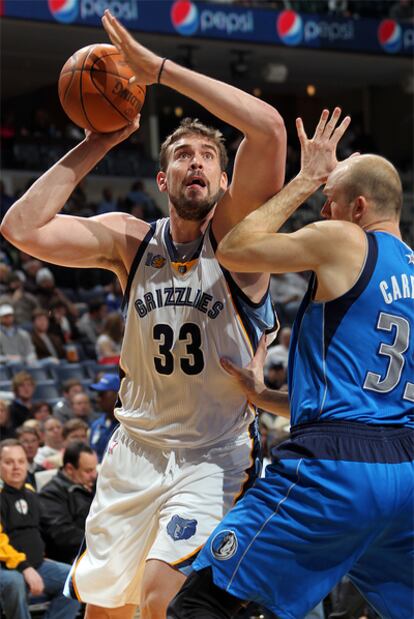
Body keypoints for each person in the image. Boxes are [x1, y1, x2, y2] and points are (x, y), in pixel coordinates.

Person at [0, 8, 286, 618]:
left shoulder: (239, 244)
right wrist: (98, 139)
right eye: (184, 155)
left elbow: (267, 128)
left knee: (161, 598)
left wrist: (158, 70)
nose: (197, 164)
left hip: (213, 456)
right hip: (134, 452)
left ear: (224, 177)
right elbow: (20, 227)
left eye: (209, 156)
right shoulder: (130, 240)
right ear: (163, 176)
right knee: (108, 612)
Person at [167, 109, 414, 618]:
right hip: (406, 472)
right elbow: (374, 399)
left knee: (200, 602)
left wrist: (304, 178)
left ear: (359, 207)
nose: (322, 208)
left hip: (337, 473)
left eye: (330, 200)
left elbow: (234, 250)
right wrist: (266, 397)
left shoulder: (349, 240)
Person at [0, 439, 80, 619]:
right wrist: (24, 567)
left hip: (36, 564)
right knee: (15, 582)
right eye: (9, 462)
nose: (16, 467)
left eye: (21, 461)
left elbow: (42, 529)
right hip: (7, 568)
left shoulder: (30, 491)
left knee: (73, 579)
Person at [39, 441, 97, 564]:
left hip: (96, 551)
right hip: (73, 558)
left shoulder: (94, 485)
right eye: (88, 471)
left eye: (95, 469)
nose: (94, 475)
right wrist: (100, 541)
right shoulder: (50, 494)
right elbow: (64, 535)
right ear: (70, 469)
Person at [88, 373, 120, 462]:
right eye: (98, 394)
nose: (98, 398)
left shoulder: (129, 426)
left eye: (102, 394)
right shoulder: (96, 425)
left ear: (118, 395)